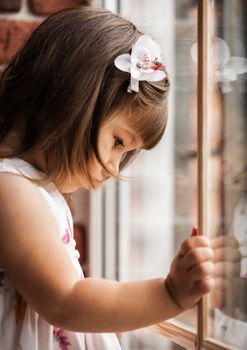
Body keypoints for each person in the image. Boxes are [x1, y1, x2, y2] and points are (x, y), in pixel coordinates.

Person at [0, 6, 214, 350]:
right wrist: (169, 294)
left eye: (125, 154)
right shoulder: (11, 189)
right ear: (70, 98)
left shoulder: (35, 191)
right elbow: (65, 300)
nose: (114, 168)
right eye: (117, 142)